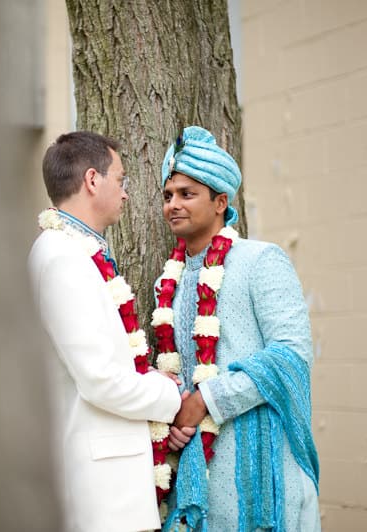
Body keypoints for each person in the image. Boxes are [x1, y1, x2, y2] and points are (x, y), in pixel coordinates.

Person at [154, 126, 320, 531]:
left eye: (187, 194)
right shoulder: (168, 282)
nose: (173, 205)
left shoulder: (261, 260)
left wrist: (207, 399)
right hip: (195, 469)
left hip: (260, 465)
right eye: (168, 195)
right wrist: (174, 416)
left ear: (221, 202)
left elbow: (291, 355)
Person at [28, 131, 183, 532]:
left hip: (111, 491)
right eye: (121, 179)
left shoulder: (74, 252)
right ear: (93, 180)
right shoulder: (62, 257)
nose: (126, 193)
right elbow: (99, 379)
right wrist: (170, 394)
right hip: (101, 497)